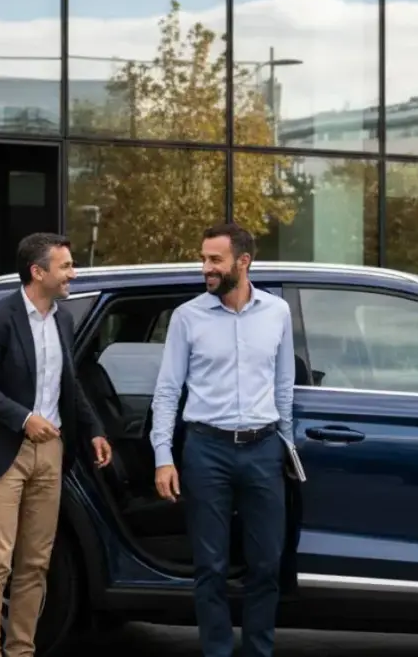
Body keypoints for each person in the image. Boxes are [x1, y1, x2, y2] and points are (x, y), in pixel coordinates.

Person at [0, 232, 113, 657]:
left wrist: (95, 429)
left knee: (36, 562)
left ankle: (21, 650)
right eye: (66, 266)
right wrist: (25, 419)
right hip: (2, 453)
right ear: (37, 272)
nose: (73, 274)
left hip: (51, 453)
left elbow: (69, 384)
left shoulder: (63, 320)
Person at [150, 222, 295, 657]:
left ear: (243, 262)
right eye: (203, 259)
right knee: (210, 567)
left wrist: (286, 446)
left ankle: (258, 652)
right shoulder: (187, 317)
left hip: (263, 449)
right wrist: (163, 456)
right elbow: (167, 390)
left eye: (215, 260)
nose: (206, 268)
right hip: (206, 450)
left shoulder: (277, 313)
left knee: (266, 564)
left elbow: (284, 386)